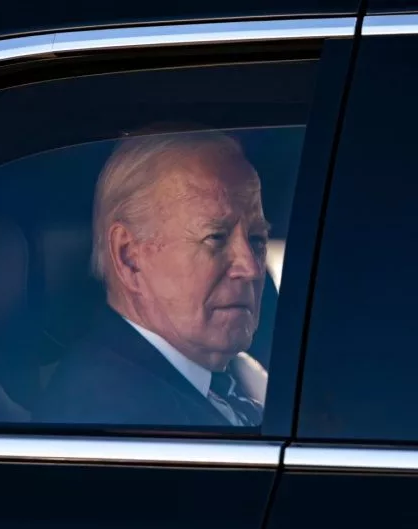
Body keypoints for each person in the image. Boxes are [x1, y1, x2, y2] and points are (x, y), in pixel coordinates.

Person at [36, 129, 270, 426]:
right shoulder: (112, 417)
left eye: (258, 240)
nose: (250, 267)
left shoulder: (232, 376)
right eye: (216, 237)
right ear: (129, 257)